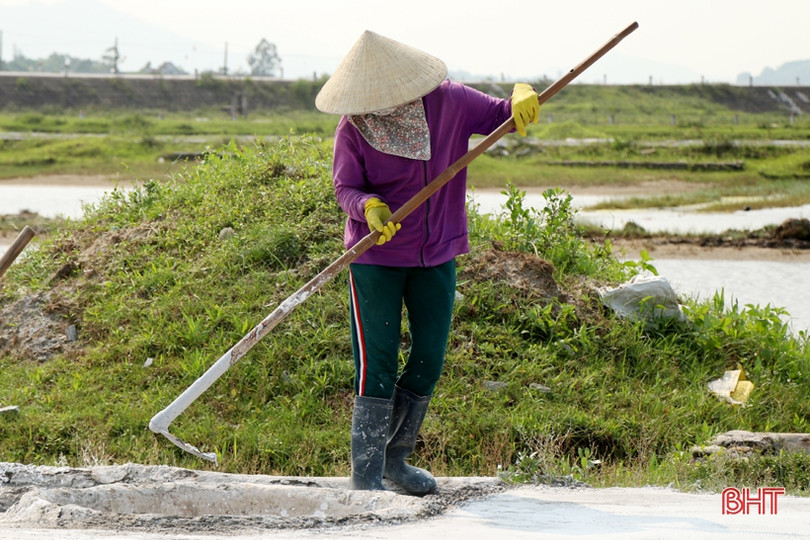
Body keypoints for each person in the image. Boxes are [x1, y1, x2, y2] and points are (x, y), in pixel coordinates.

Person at [315, 30, 539, 495]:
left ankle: (396, 461)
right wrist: (369, 208)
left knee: (429, 358)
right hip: (375, 257)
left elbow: (502, 115)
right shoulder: (354, 127)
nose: (384, 104)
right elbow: (345, 188)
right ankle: (367, 475)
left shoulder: (451, 102)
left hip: (436, 254)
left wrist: (521, 95)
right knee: (375, 364)